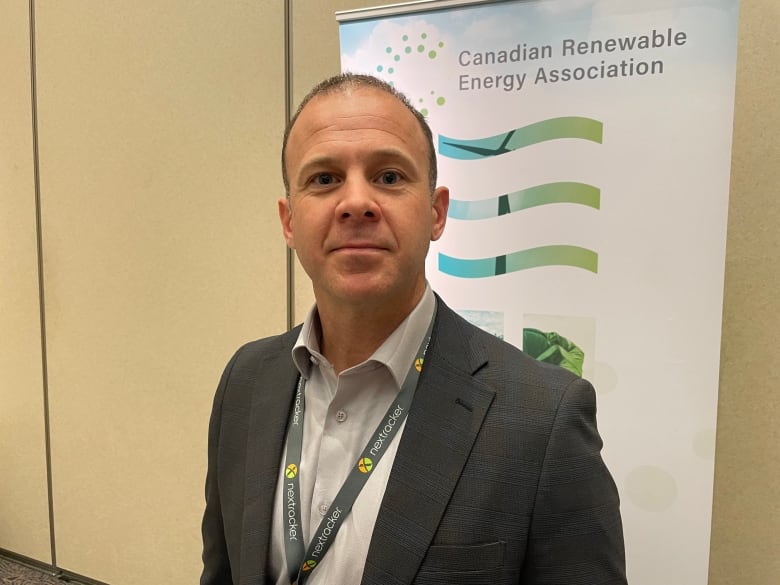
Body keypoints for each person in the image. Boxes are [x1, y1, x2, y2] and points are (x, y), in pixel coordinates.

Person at [201, 73, 626, 585]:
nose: (356, 202)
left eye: (388, 177)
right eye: (324, 179)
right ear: (289, 222)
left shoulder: (542, 419)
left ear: (436, 212)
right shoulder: (246, 382)